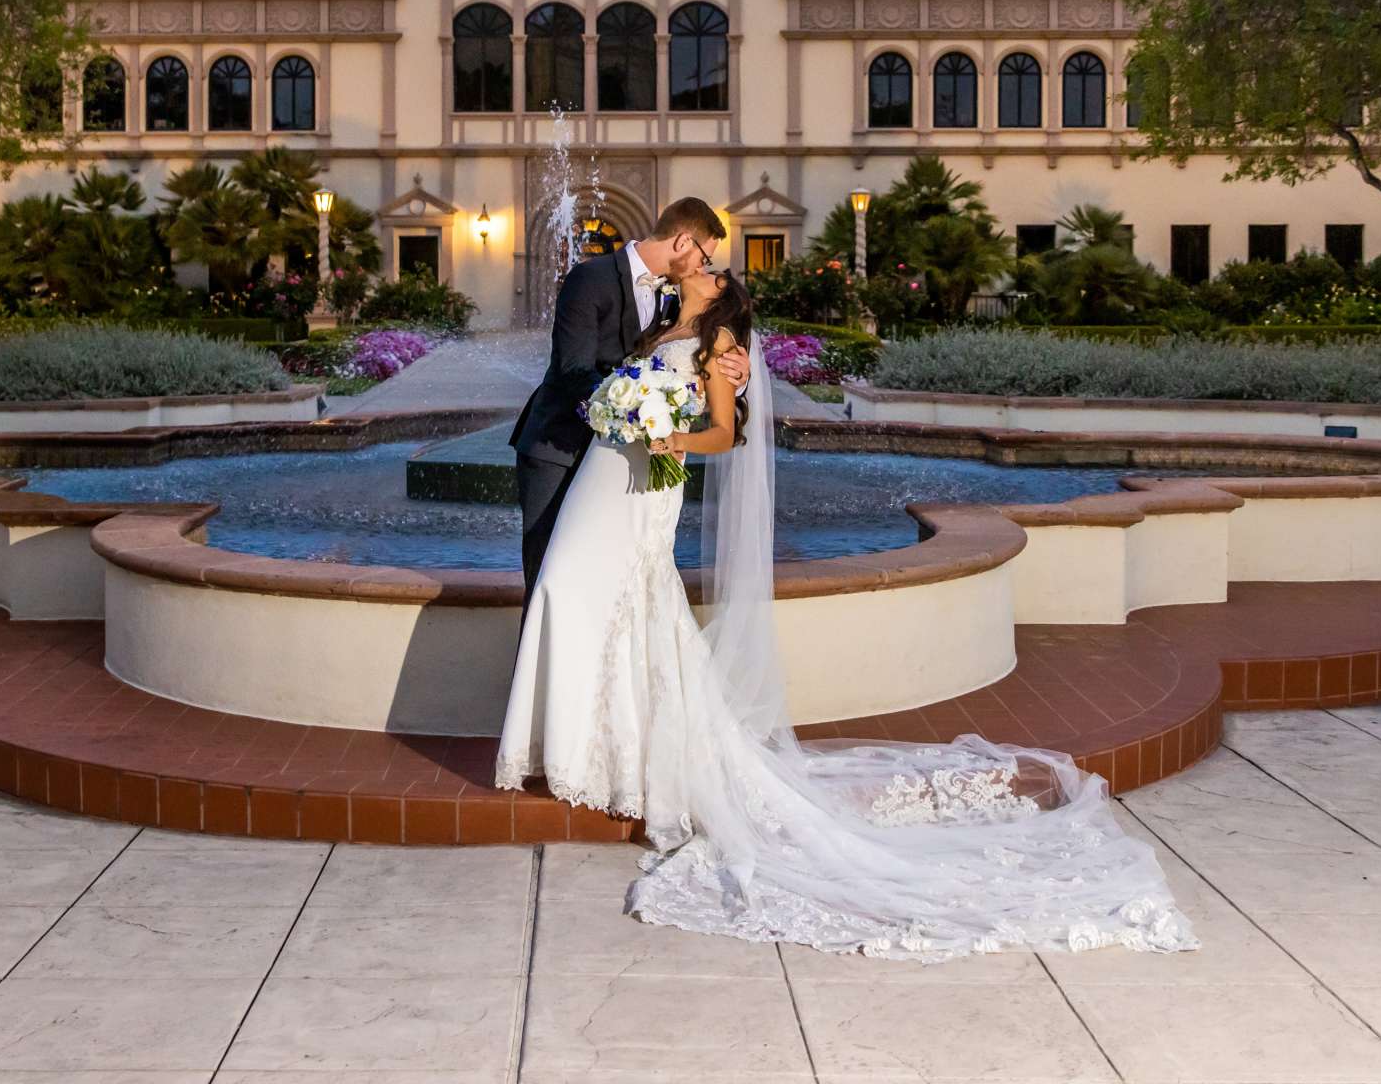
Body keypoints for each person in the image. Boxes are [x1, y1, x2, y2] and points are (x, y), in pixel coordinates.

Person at [494, 270, 1197, 961]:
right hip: (610, 471)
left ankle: (607, 756)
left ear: (723, 293)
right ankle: (590, 748)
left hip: (647, 482)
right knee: (598, 597)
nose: (699, 266)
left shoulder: (721, 342)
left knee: (607, 594)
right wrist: (625, 405)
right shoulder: (662, 323)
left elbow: (722, 432)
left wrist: (672, 435)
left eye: (709, 266)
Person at [506, 197, 749, 598]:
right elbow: (573, 371)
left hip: (618, 466)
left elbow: (693, 357)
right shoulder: (591, 278)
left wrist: (735, 377)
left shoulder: (674, 299)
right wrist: (638, 409)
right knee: (549, 582)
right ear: (683, 242)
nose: (703, 268)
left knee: (605, 585)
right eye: (704, 257)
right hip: (559, 449)